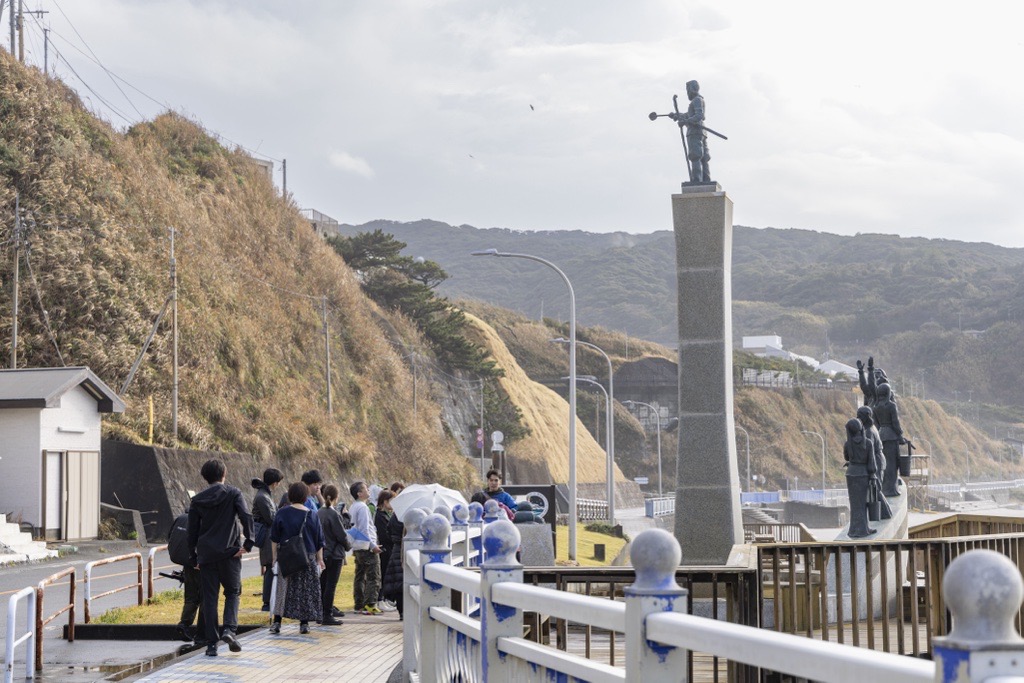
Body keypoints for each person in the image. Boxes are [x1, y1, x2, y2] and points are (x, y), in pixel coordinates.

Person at [186, 459, 254, 657]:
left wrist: (193, 556)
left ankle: (211, 645)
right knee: (232, 593)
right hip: (230, 553)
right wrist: (248, 543)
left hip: (207, 555)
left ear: (205, 477)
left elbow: (191, 531)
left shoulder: (197, 500)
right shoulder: (233, 493)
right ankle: (229, 631)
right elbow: (246, 516)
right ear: (224, 473)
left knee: (209, 599)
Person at [269, 481, 326, 634]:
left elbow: (274, 537)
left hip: (286, 555)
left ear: (290, 495)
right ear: (306, 496)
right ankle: (304, 623)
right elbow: (319, 540)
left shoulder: (281, 513)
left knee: (283, 588)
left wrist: (274, 556)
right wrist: (320, 559)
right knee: (305, 590)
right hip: (307, 556)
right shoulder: (312, 514)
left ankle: (277, 622)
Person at [167, 509, 205, 645]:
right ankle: (202, 631)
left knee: (190, 596)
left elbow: (169, 536)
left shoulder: (180, 518)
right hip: (199, 564)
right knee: (204, 597)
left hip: (187, 563)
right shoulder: (201, 520)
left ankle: (184, 624)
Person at [317, 484, 350, 626]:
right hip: (335, 554)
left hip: (322, 552)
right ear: (337, 497)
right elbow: (341, 535)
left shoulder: (319, 512)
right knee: (331, 585)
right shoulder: (334, 514)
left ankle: (320, 613)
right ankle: (327, 614)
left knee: (322, 584)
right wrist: (348, 546)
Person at [251, 467, 283, 612]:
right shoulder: (263, 497)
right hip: (267, 537)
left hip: (269, 535)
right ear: (275, 483)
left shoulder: (264, 495)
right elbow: (271, 518)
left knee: (271, 567)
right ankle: (267, 602)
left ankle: (270, 600)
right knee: (270, 567)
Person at [349, 481, 383, 615]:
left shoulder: (353, 506)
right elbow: (364, 529)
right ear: (359, 493)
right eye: (365, 489)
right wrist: (372, 545)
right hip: (366, 546)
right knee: (373, 576)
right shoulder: (363, 508)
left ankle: (359, 603)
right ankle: (370, 604)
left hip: (357, 546)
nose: (368, 490)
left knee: (359, 575)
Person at [669, 79, 711, 183]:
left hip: (695, 131)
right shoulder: (698, 100)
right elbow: (689, 115)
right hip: (701, 131)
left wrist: (685, 121)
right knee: (703, 158)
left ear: (692, 89)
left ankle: (696, 181)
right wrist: (677, 115)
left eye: (688, 90)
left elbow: (699, 116)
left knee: (696, 156)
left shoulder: (696, 100)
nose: (687, 92)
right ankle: (706, 180)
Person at [857, 406, 892, 520]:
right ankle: (885, 513)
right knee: (876, 488)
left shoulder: (868, 431)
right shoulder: (871, 427)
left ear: (866, 417)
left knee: (875, 488)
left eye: (860, 416)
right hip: (878, 459)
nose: (858, 418)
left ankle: (886, 513)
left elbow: (868, 450)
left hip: (876, 460)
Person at [843, 418, 877, 538]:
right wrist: (873, 475)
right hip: (863, 475)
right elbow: (871, 463)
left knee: (854, 503)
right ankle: (863, 529)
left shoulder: (848, 444)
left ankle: (854, 530)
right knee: (863, 503)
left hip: (851, 474)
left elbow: (847, 458)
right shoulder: (868, 443)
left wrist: (853, 462)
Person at [873, 383, 906, 496]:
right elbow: (895, 423)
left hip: (881, 435)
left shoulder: (876, 407)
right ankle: (892, 489)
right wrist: (900, 435)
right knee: (892, 463)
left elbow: (876, 424)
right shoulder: (891, 405)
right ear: (888, 392)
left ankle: (884, 488)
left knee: (884, 463)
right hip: (891, 436)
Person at [374, 490, 396, 612]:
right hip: (385, 549)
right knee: (382, 574)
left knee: (386, 575)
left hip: (388, 548)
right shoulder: (380, 516)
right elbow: (384, 535)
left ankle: (384, 599)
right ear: (385, 501)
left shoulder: (386, 515)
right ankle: (380, 599)